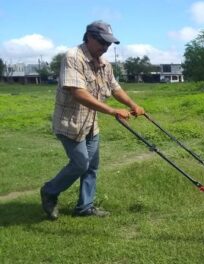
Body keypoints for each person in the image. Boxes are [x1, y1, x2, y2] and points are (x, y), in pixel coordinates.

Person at [40, 20, 145, 220]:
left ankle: (84, 207)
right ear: (89, 37)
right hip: (70, 124)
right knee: (80, 164)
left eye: (108, 44)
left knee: (92, 167)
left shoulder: (105, 64)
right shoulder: (73, 57)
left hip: (91, 125)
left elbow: (115, 88)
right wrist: (113, 111)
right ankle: (50, 191)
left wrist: (133, 105)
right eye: (102, 43)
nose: (105, 48)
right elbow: (78, 93)